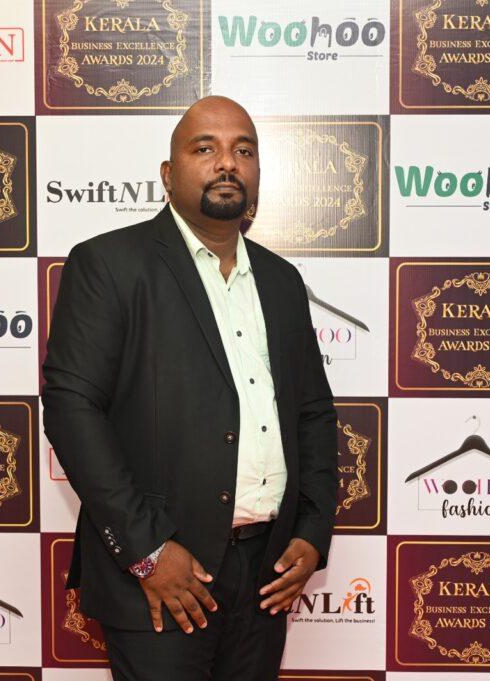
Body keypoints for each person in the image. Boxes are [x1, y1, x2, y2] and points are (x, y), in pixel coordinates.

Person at [42, 95, 337, 680]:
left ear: (257, 172)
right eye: (205, 148)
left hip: (266, 574)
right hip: (162, 575)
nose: (227, 162)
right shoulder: (109, 264)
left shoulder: (281, 280)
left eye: (243, 150)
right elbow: (72, 410)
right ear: (168, 173)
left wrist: (311, 531)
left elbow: (312, 414)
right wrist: (148, 552)